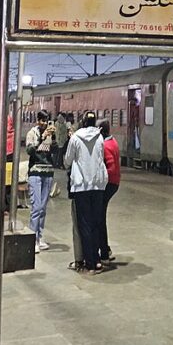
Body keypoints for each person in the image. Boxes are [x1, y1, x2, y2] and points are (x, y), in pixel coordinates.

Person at [63, 110, 108, 275]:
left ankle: (89, 262)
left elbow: (67, 161)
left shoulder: (75, 138)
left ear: (82, 122)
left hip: (81, 186)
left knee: (85, 224)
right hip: (98, 185)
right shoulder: (100, 138)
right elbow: (101, 157)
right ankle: (96, 261)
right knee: (96, 222)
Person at [25, 110, 56, 253]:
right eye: (42, 121)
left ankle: (40, 237)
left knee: (43, 208)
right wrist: (42, 137)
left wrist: (55, 137)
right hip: (35, 173)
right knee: (36, 207)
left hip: (48, 173)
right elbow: (30, 150)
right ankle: (32, 239)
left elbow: (55, 151)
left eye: (46, 121)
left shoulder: (50, 135)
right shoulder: (32, 133)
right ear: (37, 120)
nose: (44, 123)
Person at [98, 120, 120, 263]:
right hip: (115, 182)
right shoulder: (113, 142)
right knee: (100, 217)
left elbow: (110, 167)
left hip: (108, 183)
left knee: (99, 218)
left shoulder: (105, 146)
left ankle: (104, 252)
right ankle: (105, 249)